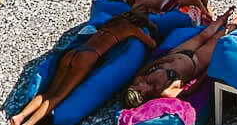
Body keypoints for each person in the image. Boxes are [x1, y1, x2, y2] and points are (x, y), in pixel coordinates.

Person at [9, 10, 157, 125]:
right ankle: (29, 123)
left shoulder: (111, 22)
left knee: (48, 92)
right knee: (58, 96)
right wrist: (148, 28)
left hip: (74, 52)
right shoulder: (132, 29)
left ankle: (20, 116)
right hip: (88, 57)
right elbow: (152, 44)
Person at [121, 7, 237, 109]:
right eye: (140, 87)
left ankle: (223, 17)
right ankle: (236, 22)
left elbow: (144, 69)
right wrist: (206, 73)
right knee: (217, 39)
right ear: (143, 95)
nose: (141, 83)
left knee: (205, 33)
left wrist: (161, 60)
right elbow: (189, 91)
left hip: (178, 53)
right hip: (196, 62)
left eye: (137, 85)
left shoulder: (138, 80)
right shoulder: (163, 92)